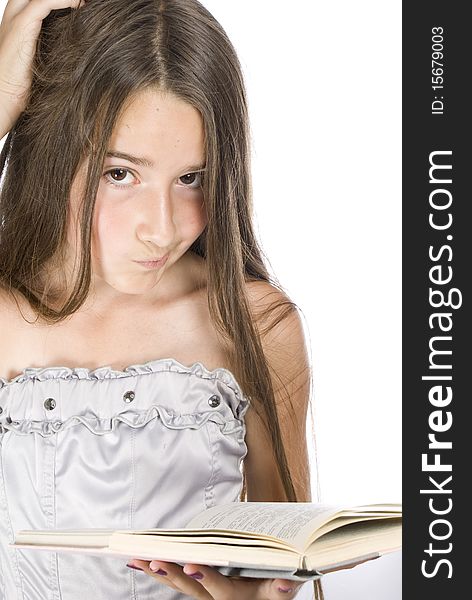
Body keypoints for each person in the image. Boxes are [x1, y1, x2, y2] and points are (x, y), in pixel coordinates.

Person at [0, 1, 322, 598]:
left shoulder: (254, 324)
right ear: (51, 152)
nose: (163, 227)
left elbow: (284, 561)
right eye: (120, 173)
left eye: (191, 178)